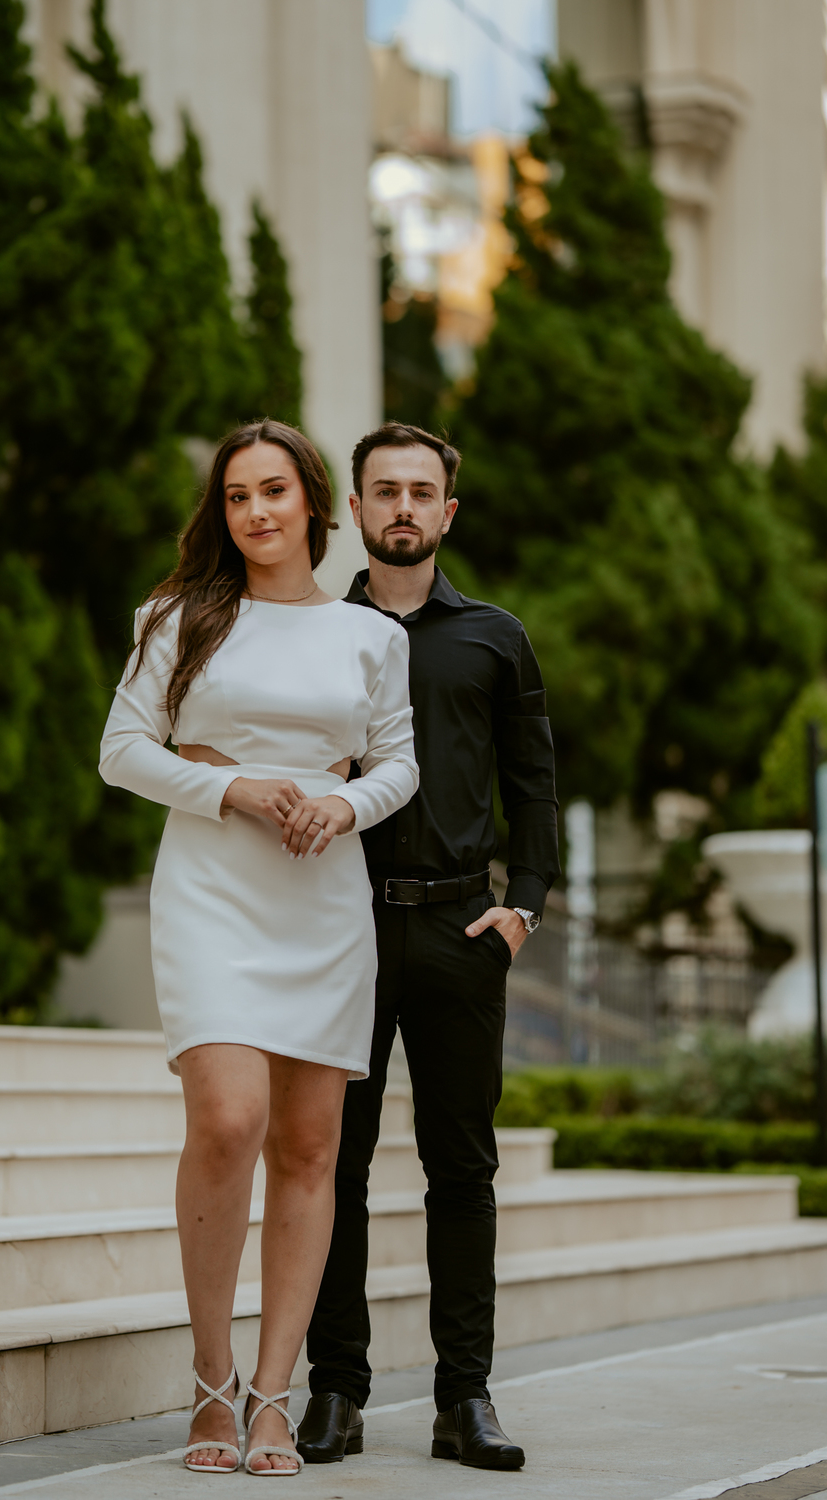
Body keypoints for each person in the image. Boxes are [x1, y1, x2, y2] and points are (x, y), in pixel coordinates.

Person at [99, 420, 418, 1476]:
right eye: (236, 496)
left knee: (311, 1149)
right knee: (230, 1118)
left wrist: (346, 805)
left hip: (322, 899)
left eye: (273, 491)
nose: (255, 513)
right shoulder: (177, 617)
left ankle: (273, 1396)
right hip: (211, 888)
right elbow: (122, 751)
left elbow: (399, 763)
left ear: (312, 503)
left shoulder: (371, 637)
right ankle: (210, 1376)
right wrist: (231, 786)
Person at [299, 423, 559, 1472]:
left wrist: (523, 907)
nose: (402, 507)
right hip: (338, 927)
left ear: (446, 512)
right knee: (333, 1168)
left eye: (420, 492)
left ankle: (466, 1399)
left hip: (460, 929)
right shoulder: (313, 634)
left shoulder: (496, 637)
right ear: (356, 510)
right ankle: (336, 1391)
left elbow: (534, 785)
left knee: (463, 1171)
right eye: (384, 490)